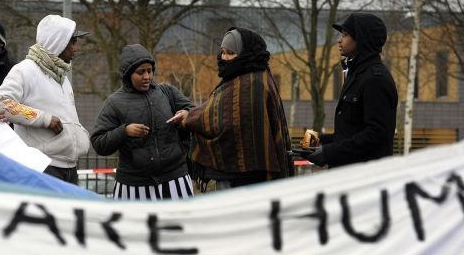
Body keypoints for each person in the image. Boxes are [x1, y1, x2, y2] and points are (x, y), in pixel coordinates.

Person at [170, 27, 292, 191]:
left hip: (243, 178)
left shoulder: (251, 83)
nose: (224, 58)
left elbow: (220, 120)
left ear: (245, 54)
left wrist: (188, 118)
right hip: (243, 172)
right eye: (222, 52)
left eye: (230, 53)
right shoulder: (249, 77)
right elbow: (216, 110)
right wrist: (190, 114)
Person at [0, 15, 90, 185]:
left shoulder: (62, 76)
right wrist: (44, 119)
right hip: (43, 166)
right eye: (72, 42)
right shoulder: (25, 69)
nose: (76, 48)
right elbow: (2, 102)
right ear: (58, 42)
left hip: (69, 168)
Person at [90, 44, 194, 200]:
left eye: (150, 71)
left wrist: (186, 114)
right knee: (132, 226)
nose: (147, 76)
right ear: (128, 74)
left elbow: (195, 113)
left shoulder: (167, 91)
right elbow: (99, 143)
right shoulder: (113, 102)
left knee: (180, 223)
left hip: (175, 178)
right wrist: (124, 131)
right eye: (140, 72)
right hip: (132, 185)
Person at [303, 13, 398, 168]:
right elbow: (349, 133)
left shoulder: (375, 79)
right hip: (349, 173)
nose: (339, 40)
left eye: (346, 35)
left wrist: (329, 153)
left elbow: (377, 134)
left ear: (362, 39)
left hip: (365, 178)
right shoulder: (357, 75)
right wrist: (317, 140)